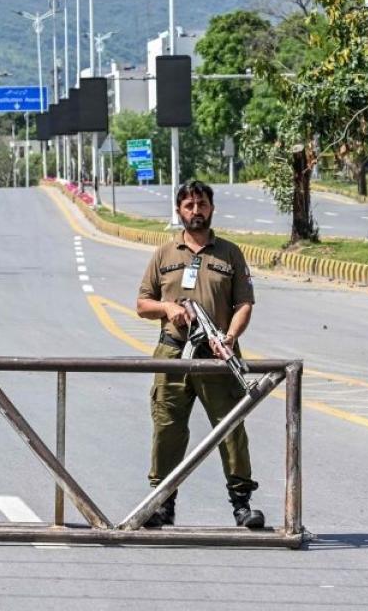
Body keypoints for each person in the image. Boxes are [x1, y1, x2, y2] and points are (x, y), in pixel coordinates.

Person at [136, 179, 264, 529]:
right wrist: (167, 309)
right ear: (179, 210)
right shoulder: (164, 254)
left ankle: (242, 504)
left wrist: (229, 337)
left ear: (212, 208)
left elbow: (244, 304)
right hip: (174, 352)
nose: (196, 211)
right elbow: (142, 304)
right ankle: (162, 502)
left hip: (218, 356)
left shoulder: (230, 253)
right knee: (167, 428)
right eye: (189, 205)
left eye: (202, 204)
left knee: (230, 427)